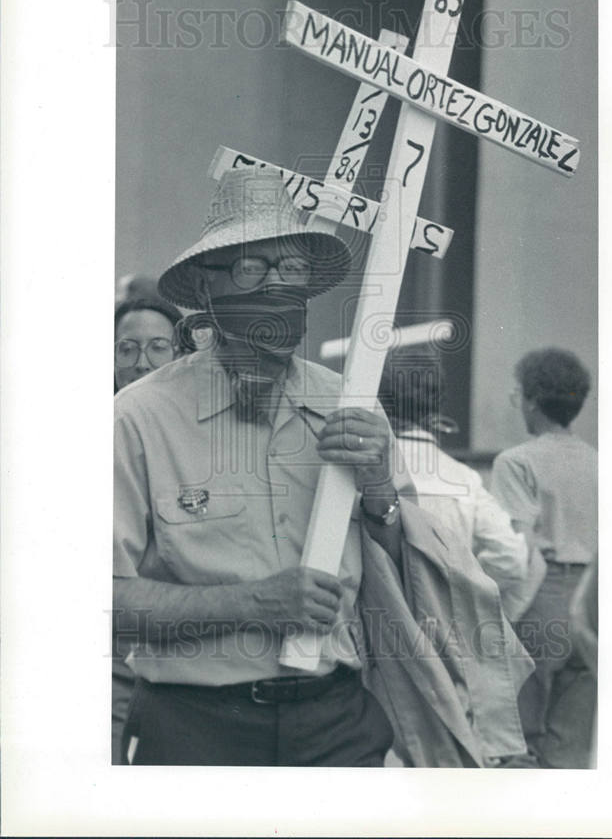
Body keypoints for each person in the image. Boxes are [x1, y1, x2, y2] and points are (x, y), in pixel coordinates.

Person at [113, 163, 533, 767]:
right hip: (194, 729)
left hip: (337, 722)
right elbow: (96, 600)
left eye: (292, 269)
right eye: (250, 267)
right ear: (205, 290)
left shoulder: (352, 404)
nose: (275, 287)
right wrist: (251, 604)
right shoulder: (138, 419)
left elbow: (403, 577)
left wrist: (380, 488)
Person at [491, 348, 597, 768]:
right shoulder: (599, 461)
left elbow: (517, 546)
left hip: (542, 594)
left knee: (520, 736)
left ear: (533, 400)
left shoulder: (516, 462)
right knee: (569, 744)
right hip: (593, 598)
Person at [378, 349, 532, 621]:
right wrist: (460, 586)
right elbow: (512, 558)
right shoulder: (464, 479)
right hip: (446, 628)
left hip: (376, 625)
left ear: (380, 401)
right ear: (438, 403)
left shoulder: (361, 474)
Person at [113, 295, 181, 763]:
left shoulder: (195, 434)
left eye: (158, 347)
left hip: (178, 642)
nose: (142, 363)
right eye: (127, 349)